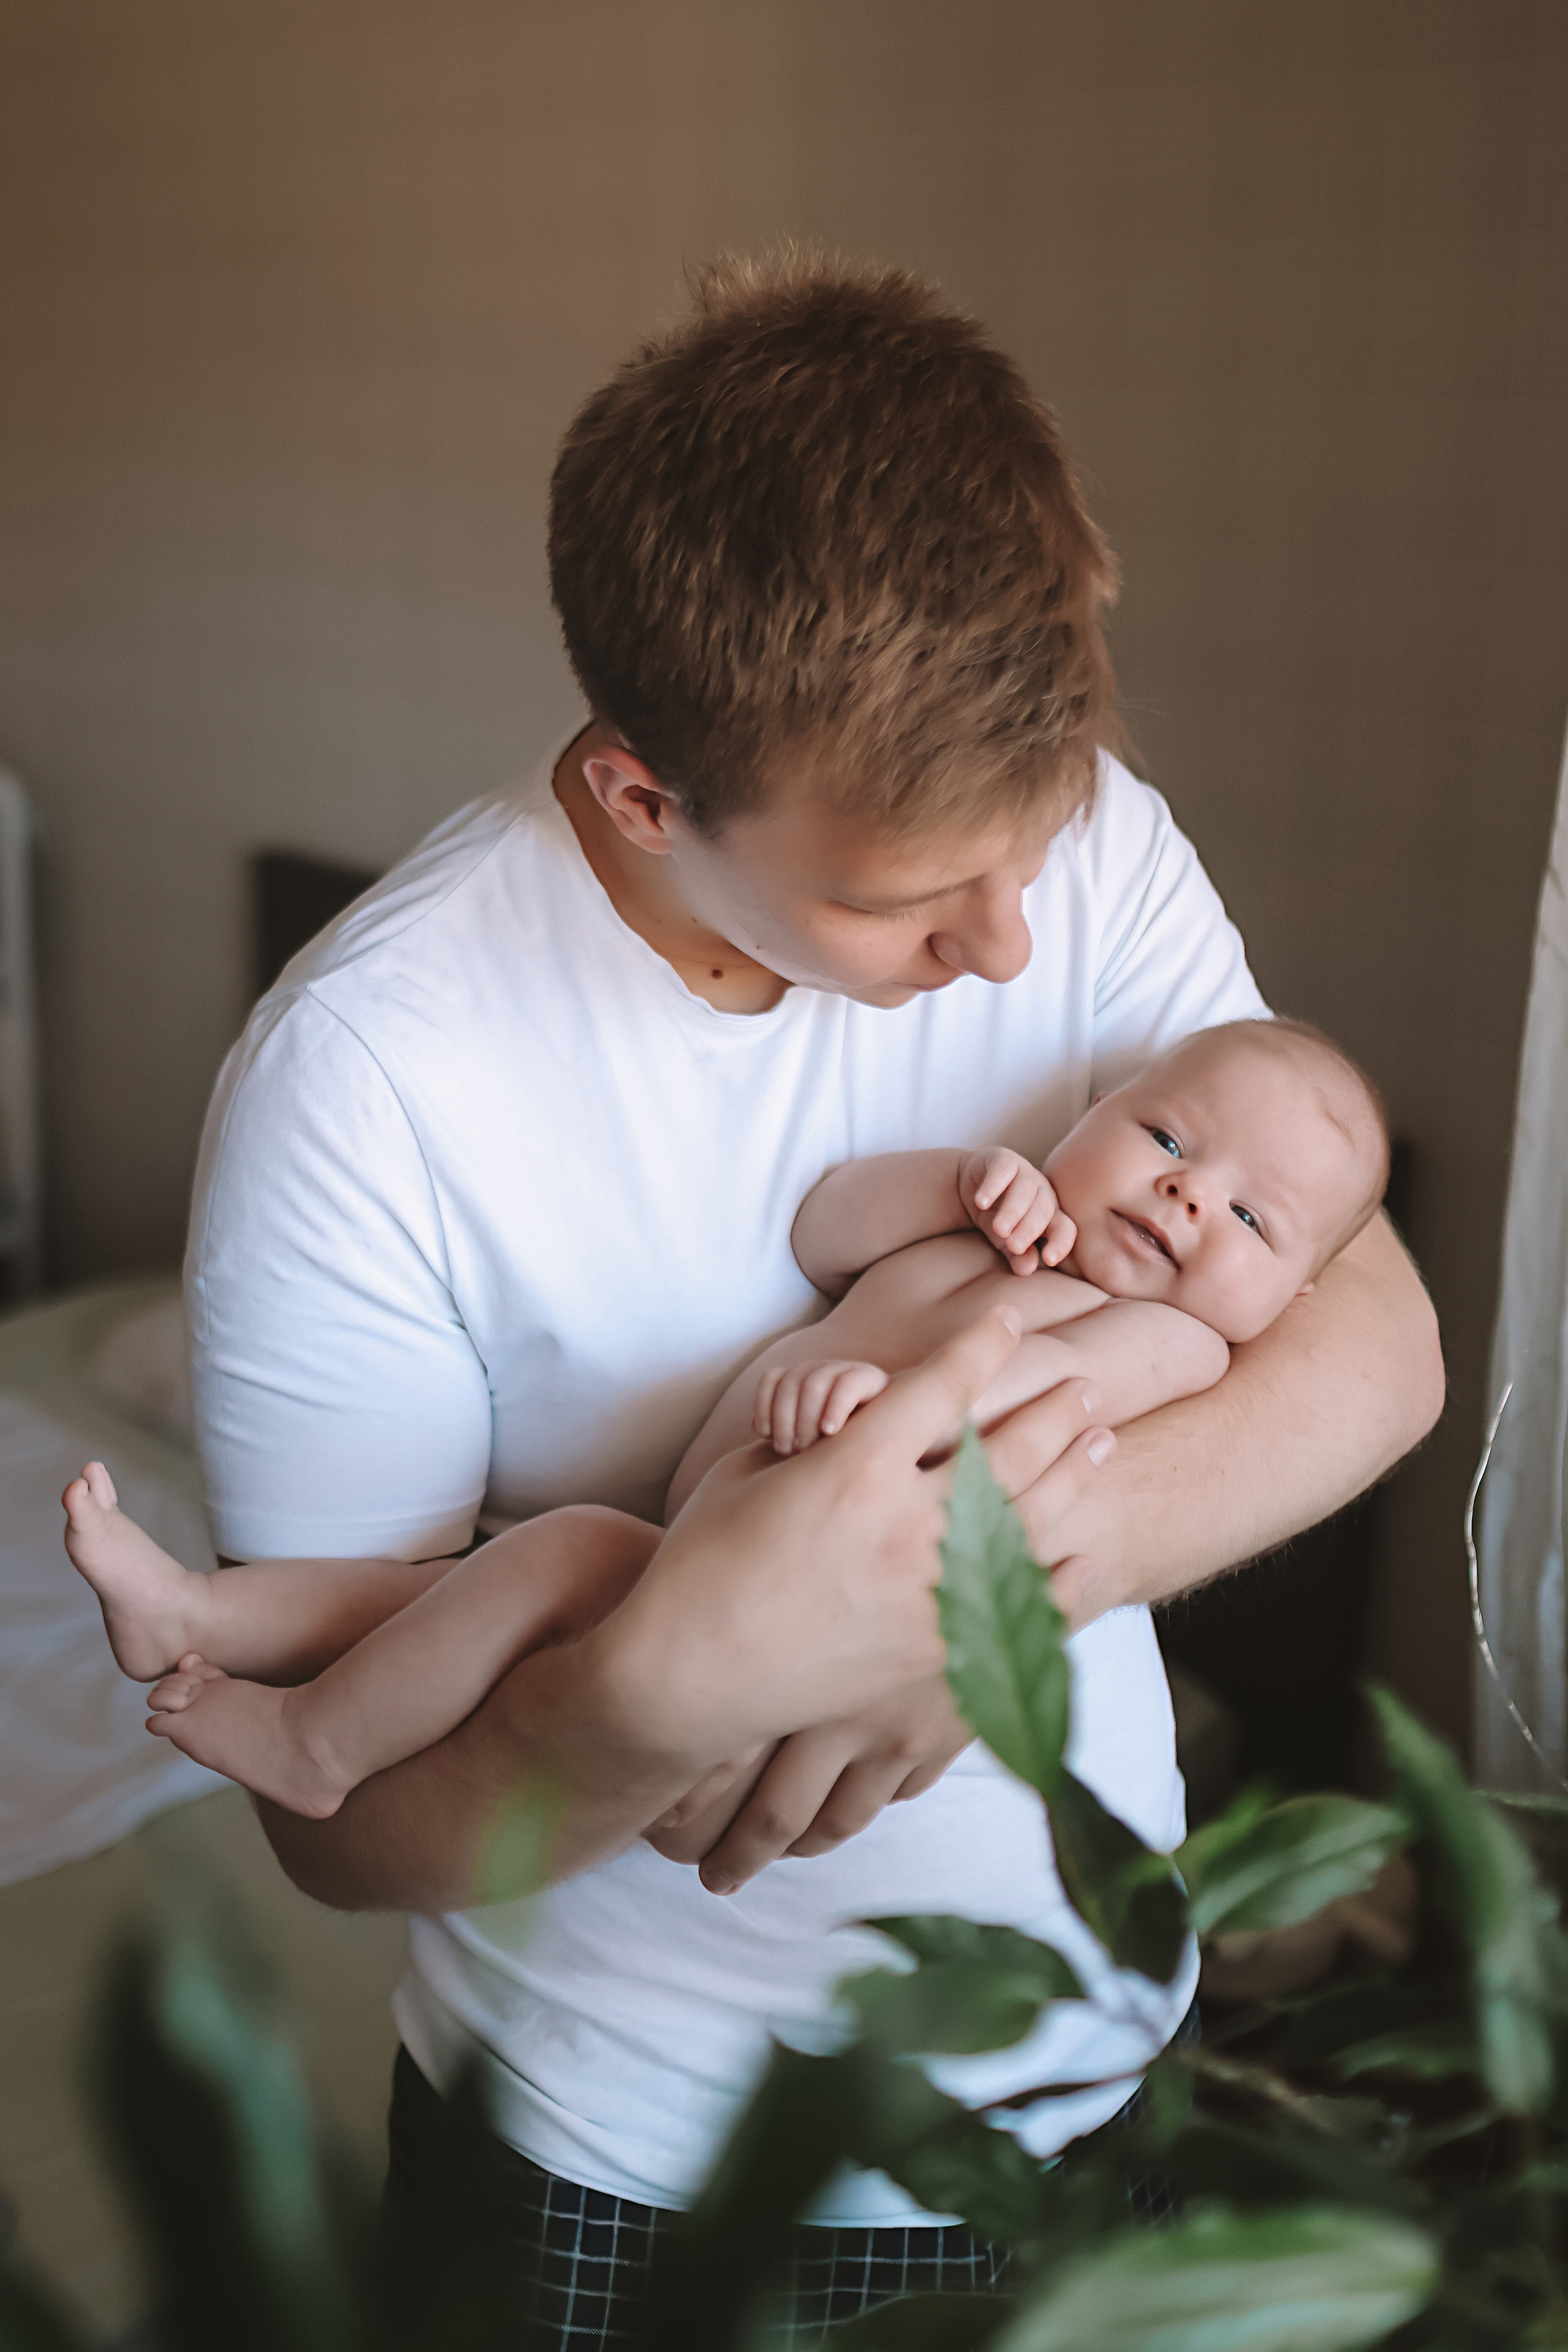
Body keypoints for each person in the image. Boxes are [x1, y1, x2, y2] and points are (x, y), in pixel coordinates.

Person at [169, 252, 1442, 2339]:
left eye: (1038, 842)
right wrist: (647, 1706)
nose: (1014, 945)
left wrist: (975, 1612)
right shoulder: (370, 1077)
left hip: (1095, 2060)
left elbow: (1376, 1338)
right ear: (642, 799)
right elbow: (344, 1826)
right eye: (908, 897)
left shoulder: (1086, 845)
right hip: (619, 2160)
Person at [64, 1017, 1390, 1845]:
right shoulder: (1003, 1229)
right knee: (466, 1588)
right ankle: (199, 1615)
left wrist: (874, 1409)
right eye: (1166, 1137)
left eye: (1251, 1218)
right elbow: (825, 1231)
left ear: (1291, 1300)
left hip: (784, 1578)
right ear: (1094, 1115)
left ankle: (316, 1746)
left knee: (545, 1561)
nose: (1186, 1196)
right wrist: (957, 1183)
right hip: (700, 1540)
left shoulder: (1174, 1338)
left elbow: (1039, 1400)